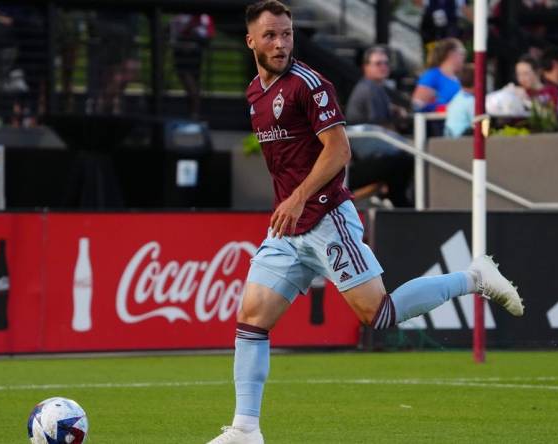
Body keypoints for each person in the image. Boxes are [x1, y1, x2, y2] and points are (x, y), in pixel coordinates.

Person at [207, 2, 524, 443]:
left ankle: (474, 277)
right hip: (288, 228)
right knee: (252, 318)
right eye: (270, 36)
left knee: (381, 314)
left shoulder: (310, 85)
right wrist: (290, 202)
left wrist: (299, 197)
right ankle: (245, 429)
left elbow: (338, 150)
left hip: (326, 219)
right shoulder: (254, 94)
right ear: (250, 41)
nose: (280, 43)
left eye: (287, 33)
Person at [345, 46, 413, 207]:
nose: (383, 67)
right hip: (357, 161)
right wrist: (399, 119)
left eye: (386, 63)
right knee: (405, 160)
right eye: (378, 63)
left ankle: (395, 200)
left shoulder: (378, 89)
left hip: (371, 153)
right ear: (365, 67)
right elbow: (379, 126)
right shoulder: (369, 89)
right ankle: (399, 204)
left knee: (404, 159)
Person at [170, 13, 215, 119]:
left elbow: (208, 35)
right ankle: (194, 113)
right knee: (190, 85)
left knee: (193, 85)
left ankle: (194, 113)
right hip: (181, 55)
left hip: (194, 55)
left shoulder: (204, 18)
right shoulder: (179, 18)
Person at [411, 37, 465, 112]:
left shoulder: (457, 78)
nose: (464, 58)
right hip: (441, 122)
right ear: (451, 54)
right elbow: (417, 105)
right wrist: (443, 108)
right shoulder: (433, 75)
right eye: (462, 53)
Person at [444, 63, 475, 137]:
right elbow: (478, 122)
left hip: (448, 137)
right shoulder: (472, 101)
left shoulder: (457, 97)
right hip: (462, 139)